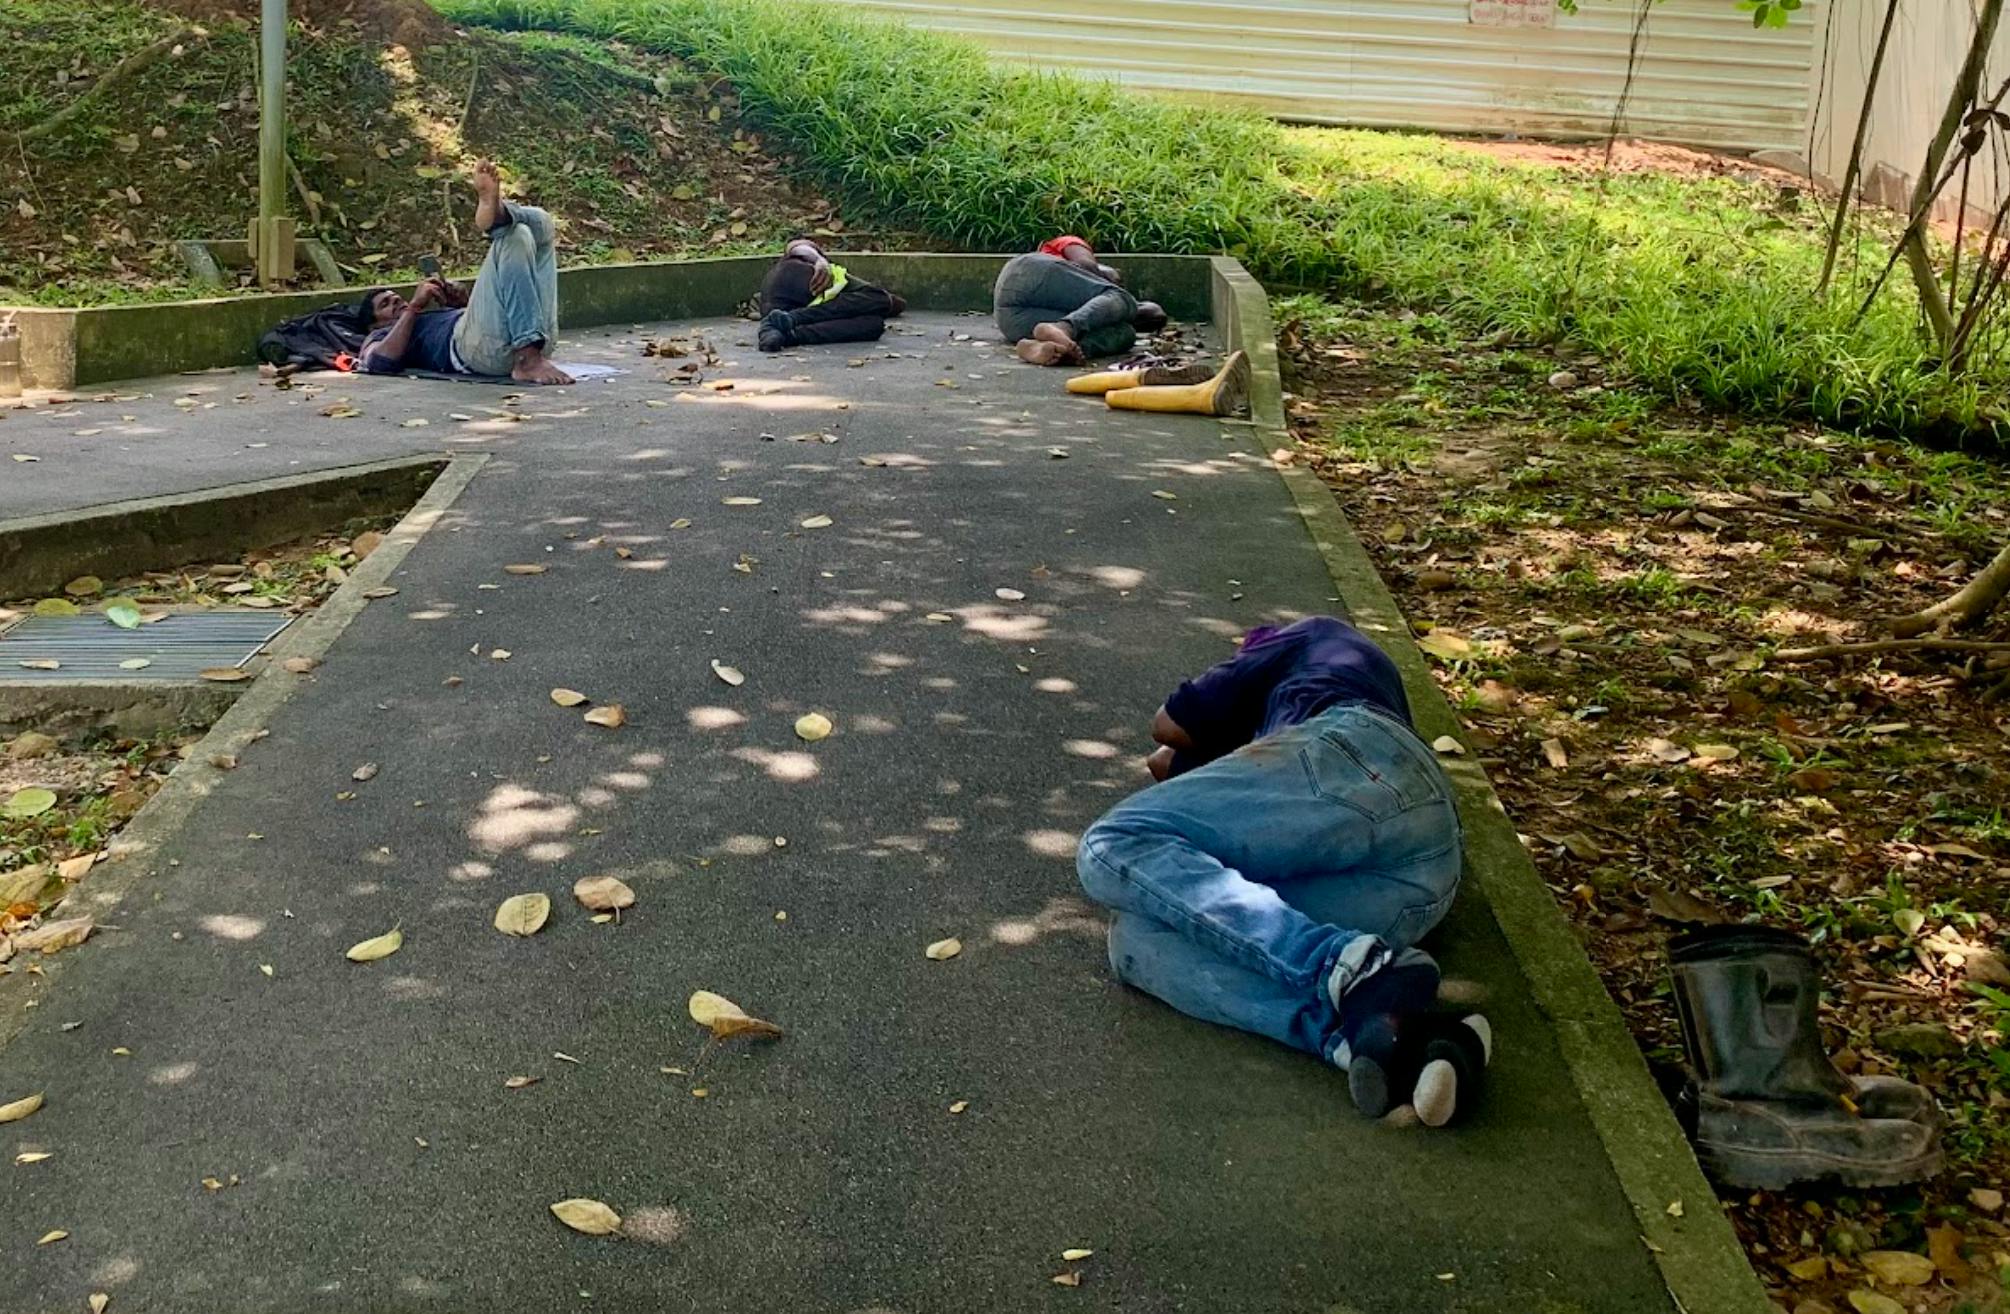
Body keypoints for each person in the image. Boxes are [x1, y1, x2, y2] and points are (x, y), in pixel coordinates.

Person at [1074, 617, 1492, 1128]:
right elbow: (1171, 769)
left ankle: (1348, 968)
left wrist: (1220, 708)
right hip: (1423, 875)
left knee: (1112, 842)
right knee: (1136, 940)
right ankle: (1402, 1038)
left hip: (1361, 753)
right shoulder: (1280, 763)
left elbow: (1168, 729)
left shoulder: (1310, 637)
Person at [359, 160, 572, 385]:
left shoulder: (427, 319)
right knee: (513, 238)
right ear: (374, 325)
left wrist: (461, 303)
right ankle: (527, 359)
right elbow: (379, 363)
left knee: (541, 225)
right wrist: (414, 307)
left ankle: (499, 215)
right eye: (385, 304)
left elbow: (500, 313)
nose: (396, 302)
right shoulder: (377, 337)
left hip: (538, 339)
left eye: (395, 298)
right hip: (480, 354)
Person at [994, 236, 1167, 366]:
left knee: (1126, 334)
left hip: (1011, 321)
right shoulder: (1065, 243)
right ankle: (1065, 328)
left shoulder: (1092, 308)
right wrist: (1110, 288)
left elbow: (1089, 268)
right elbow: (1086, 264)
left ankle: (1047, 349)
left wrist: (1110, 289)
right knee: (1120, 297)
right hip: (1025, 272)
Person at [756, 239, 907, 352]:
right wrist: (820, 260)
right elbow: (796, 246)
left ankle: (788, 333)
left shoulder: (848, 298)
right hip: (791, 277)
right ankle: (789, 320)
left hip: (781, 307)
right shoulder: (828, 271)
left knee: (873, 325)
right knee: (878, 300)